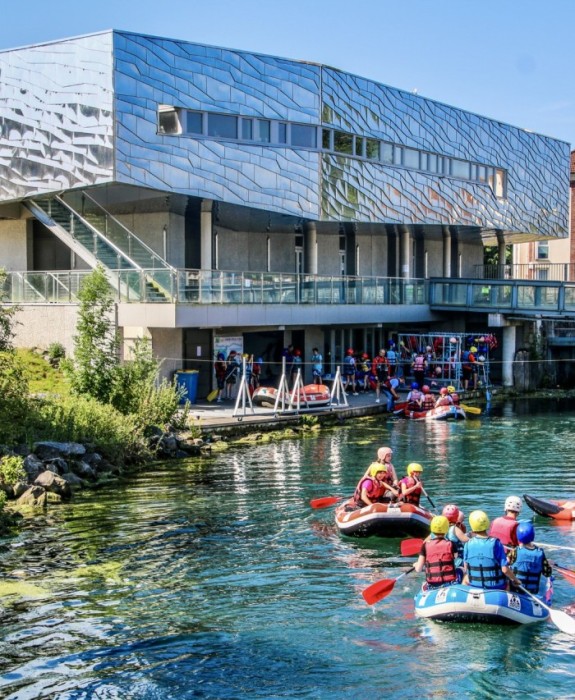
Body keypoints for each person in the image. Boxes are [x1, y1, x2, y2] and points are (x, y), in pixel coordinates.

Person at [463, 510, 521, 589]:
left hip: (475, 585)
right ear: (487, 523)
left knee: (465, 578)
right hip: (496, 586)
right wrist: (515, 579)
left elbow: (466, 567)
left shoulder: (467, 544)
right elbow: (505, 570)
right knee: (508, 581)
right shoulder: (496, 543)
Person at [507, 522, 552, 595]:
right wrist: (548, 564)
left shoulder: (515, 551)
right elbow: (547, 573)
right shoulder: (540, 553)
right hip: (532, 592)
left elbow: (505, 565)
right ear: (533, 536)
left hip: (516, 589)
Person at [415, 515, 458, 588]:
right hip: (449, 583)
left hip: (432, 585)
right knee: (460, 570)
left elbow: (418, 569)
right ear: (446, 528)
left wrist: (416, 565)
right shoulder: (451, 544)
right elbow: (455, 558)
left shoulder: (425, 545)